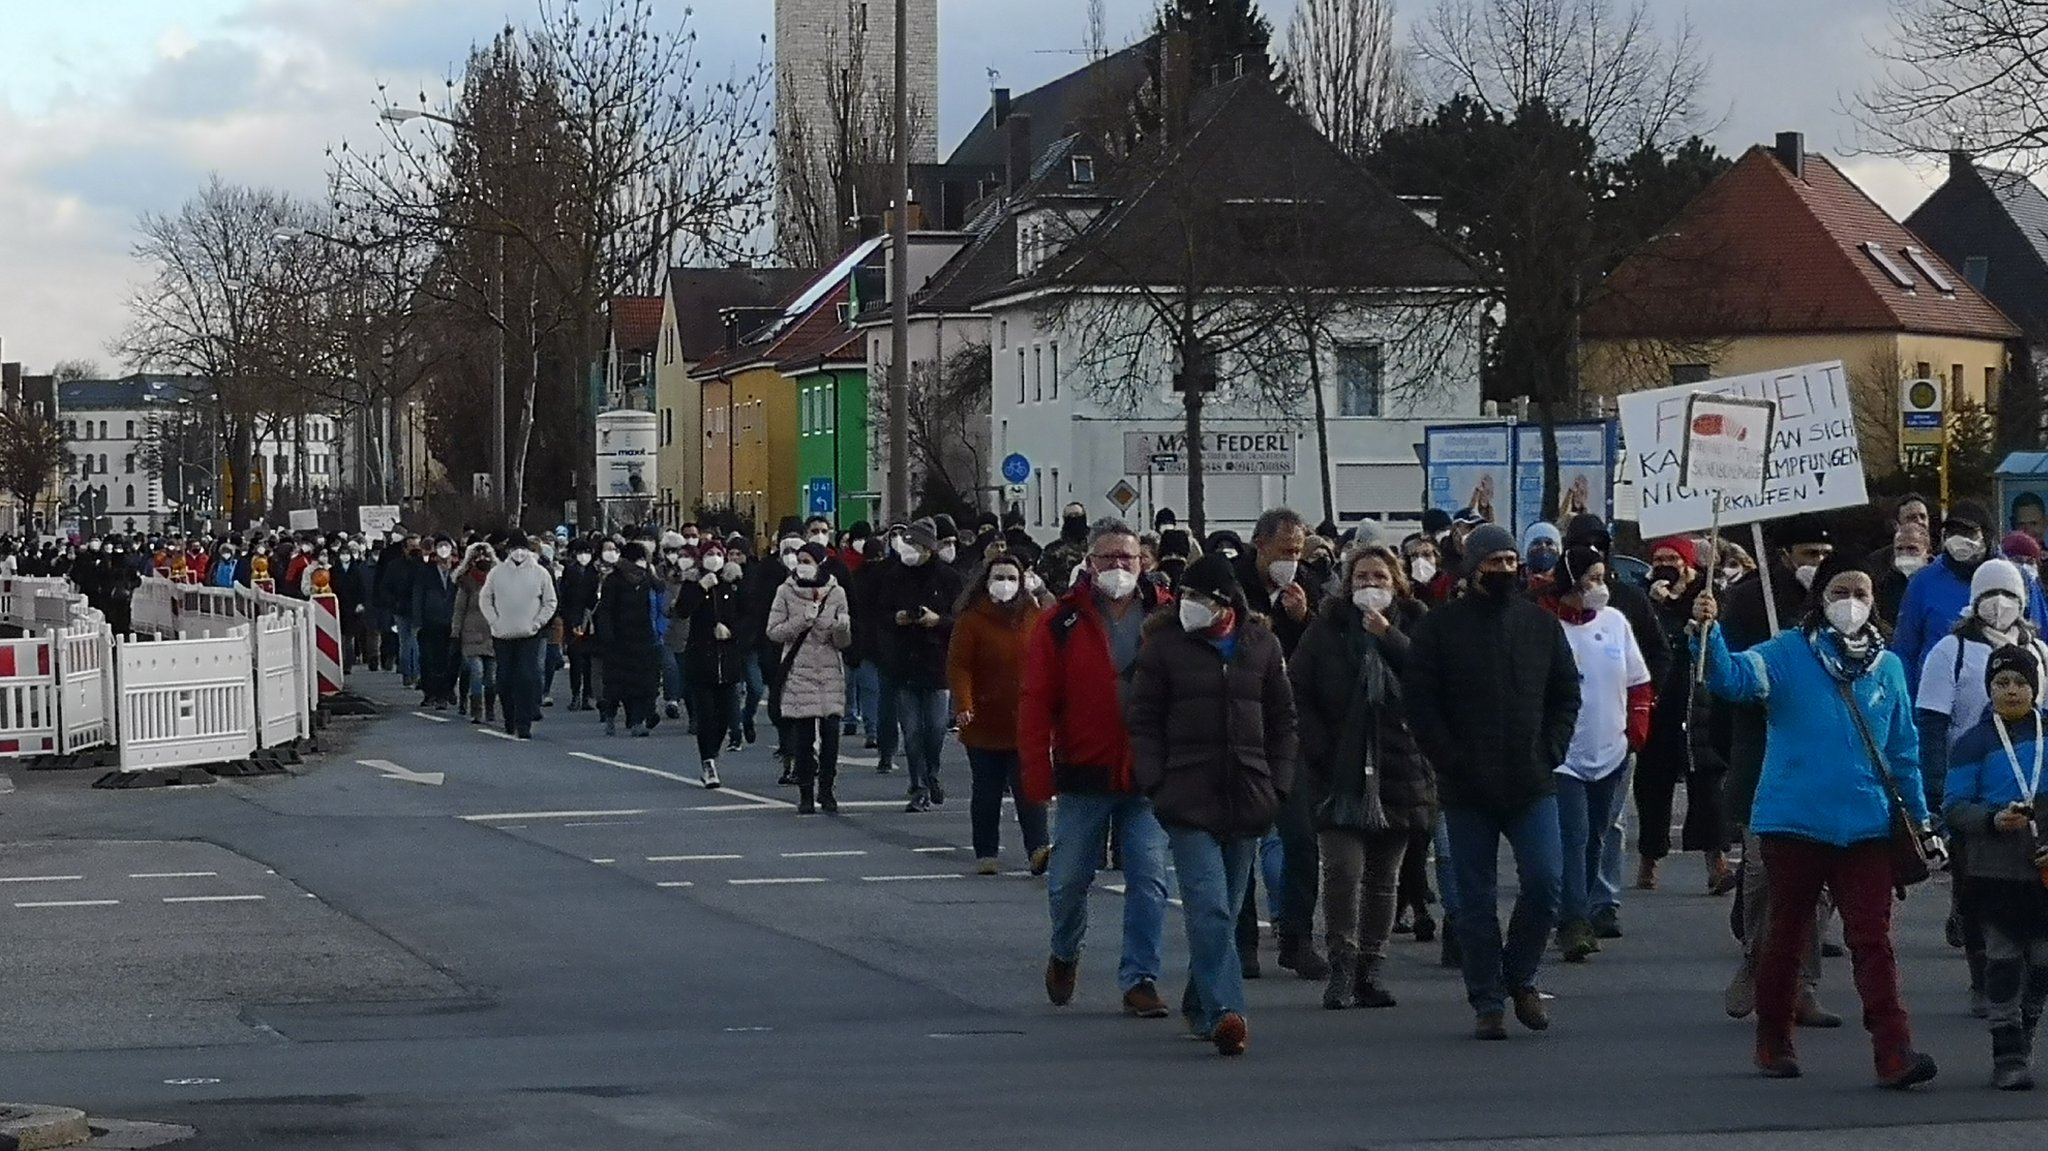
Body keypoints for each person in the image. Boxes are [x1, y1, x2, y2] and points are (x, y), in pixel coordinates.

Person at [1695, 553, 1943, 1087]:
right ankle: (1774, 1041)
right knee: (1785, 934)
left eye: (1860, 592)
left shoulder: (1890, 667)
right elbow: (1733, 679)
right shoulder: (1786, 653)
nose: (1850, 603)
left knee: (1873, 940)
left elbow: (1904, 751)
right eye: (1838, 592)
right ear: (1819, 600)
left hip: (1868, 827)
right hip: (1793, 823)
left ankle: (1894, 1053)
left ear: (1875, 603)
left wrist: (1920, 820)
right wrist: (1707, 633)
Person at [1405, 523, 1581, 1040]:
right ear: (1472, 567)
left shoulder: (1540, 626)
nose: (1504, 570)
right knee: (1473, 900)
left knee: (1546, 882)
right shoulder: (1440, 629)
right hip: (1467, 788)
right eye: (1494, 562)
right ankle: (1486, 999)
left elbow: (1566, 694)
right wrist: (1448, 758)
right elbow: (1421, 702)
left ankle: (1520, 975)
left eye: (1510, 561)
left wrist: (1551, 749)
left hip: (1531, 782)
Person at [1129, 553, 1297, 1057]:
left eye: (1200, 598)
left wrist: (1278, 787)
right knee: (1209, 907)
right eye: (1184, 597)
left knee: (1227, 905)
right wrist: (1156, 783)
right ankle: (1228, 1010)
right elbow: (1144, 723)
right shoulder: (1163, 651)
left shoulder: (1261, 646)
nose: (1188, 606)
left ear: (1226, 604)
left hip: (1248, 797)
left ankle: (1199, 1001)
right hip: (1186, 797)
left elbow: (1284, 721)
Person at [1019, 516, 1174, 1021]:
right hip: (1083, 771)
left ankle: (1139, 979)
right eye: (1107, 558)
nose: (1118, 567)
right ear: (1089, 564)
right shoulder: (1060, 622)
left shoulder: (1167, 615)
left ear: (1142, 561)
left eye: (1126, 558)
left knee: (1150, 879)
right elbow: (1037, 699)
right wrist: (1037, 777)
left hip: (1147, 775)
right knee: (1067, 881)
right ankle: (1065, 953)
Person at [1291, 541, 1436, 1009]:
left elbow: (1432, 679)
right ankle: (1341, 963)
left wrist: (1390, 635)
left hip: (1398, 766)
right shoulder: (1327, 629)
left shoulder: (1415, 622)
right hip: (1341, 771)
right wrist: (1321, 751)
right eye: (1361, 578)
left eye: (1379, 579)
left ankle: (1371, 968)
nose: (1370, 587)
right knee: (1341, 870)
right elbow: (1300, 691)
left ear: (1396, 585)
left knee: (1382, 877)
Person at [1720, 513, 1846, 1030]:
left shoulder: (1843, 604)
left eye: (1823, 555)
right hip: (1760, 755)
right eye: (1807, 555)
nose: (1815, 565)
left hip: (1822, 764)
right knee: (1760, 873)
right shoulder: (1750, 601)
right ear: (1785, 556)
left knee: (1818, 884)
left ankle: (1802, 984)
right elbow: (1723, 674)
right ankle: (1757, 956)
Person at [1916, 558, 2048, 1018]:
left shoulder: (2042, 652)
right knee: (1975, 890)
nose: (2000, 604)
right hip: (1970, 789)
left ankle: (2027, 987)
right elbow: (1931, 725)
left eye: (2010, 595)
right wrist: (1934, 794)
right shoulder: (1949, 652)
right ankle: (1985, 979)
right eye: (1991, 594)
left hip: (2034, 802)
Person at [1537, 546, 1652, 962]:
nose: (1599, 588)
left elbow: (1639, 680)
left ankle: (1581, 907)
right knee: (1574, 835)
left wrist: (1636, 728)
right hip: (1565, 756)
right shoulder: (1547, 629)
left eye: (1603, 578)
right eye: (1591, 579)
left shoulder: (1616, 622)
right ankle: (1571, 920)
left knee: (1597, 839)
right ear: (1570, 583)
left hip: (1612, 751)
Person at [1944, 644, 2048, 1090]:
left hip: (2043, 872)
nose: (2011, 691)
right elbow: (1953, 807)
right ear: (1989, 689)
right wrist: (1990, 819)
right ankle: (2006, 1052)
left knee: (2042, 962)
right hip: (1993, 872)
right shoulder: (1974, 742)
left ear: (2036, 688)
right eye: (2001, 683)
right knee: (2003, 960)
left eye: (2021, 683)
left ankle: (2024, 1028)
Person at [1233, 507, 1327, 981]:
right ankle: (1243, 940)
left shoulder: (1306, 587)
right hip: (1240, 731)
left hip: (1292, 733)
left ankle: (1298, 937)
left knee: (1301, 840)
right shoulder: (1233, 586)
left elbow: (1325, 655)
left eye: (1297, 551)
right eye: (1284, 551)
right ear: (1261, 546)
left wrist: (1301, 619)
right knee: (1240, 842)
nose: (1292, 560)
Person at [1633, 536, 1736, 895]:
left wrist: (1679, 605)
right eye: (1659, 557)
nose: (1665, 564)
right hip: (1660, 702)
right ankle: (1649, 859)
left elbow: (1716, 630)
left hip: (1700, 702)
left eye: (1672, 558)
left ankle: (1716, 863)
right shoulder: (1643, 598)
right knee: (1653, 785)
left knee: (1708, 786)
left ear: (1689, 565)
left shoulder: (1706, 596)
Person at [947, 553, 1051, 875]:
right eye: (998, 578)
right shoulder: (971, 619)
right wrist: (964, 704)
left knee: (1030, 791)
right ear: (986, 582)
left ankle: (1038, 849)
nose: (1005, 584)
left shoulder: (1033, 615)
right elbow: (959, 666)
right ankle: (986, 852)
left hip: (1024, 720)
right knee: (987, 791)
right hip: (983, 723)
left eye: (1011, 578)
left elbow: (1050, 651)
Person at [1897, 501, 2048, 693]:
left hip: (2012, 699)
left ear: (1987, 535)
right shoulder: (1923, 582)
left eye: (1968, 533)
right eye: (1952, 533)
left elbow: (2041, 635)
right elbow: (1905, 650)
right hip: (1940, 699)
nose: (1959, 540)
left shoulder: (2018, 578)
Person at [877, 518, 965, 812]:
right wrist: (896, 618)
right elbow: (878, 614)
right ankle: (919, 787)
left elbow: (961, 621)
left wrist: (937, 621)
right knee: (912, 730)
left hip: (938, 663)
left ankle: (932, 772)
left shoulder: (949, 579)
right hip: (904, 662)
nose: (909, 549)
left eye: (916, 544)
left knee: (936, 728)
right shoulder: (892, 577)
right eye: (908, 543)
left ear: (929, 548)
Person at [765, 542, 853, 815]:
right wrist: (803, 620)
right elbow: (774, 631)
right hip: (799, 669)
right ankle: (805, 791)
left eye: (807, 559)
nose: (801, 563)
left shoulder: (836, 592)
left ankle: (826, 789)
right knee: (803, 737)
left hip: (829, 670)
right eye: (798, 558)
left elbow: (843, 641)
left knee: (831, 736)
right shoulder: (785, 591)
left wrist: (841, 628)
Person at [676, 540, 746, 786]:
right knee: (705, 715)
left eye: (718, 554)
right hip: (701, 659)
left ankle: (713, 750)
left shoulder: (732, 583)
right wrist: (700, 589)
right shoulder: (693, 582)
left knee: (726, 715)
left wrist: (732, 631)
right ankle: (707, 762)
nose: (714, 558)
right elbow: (682, 611)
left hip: (727, 659)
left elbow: (746, 616)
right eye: (710, 554)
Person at [481, 535, 557, 740]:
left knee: (526, 676)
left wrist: (538, 622)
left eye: (522, 548)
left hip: (529, 633)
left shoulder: (540, 573)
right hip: (502, 634)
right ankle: (509, 717)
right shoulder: (497, 573)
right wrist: (494, 621)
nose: (518, 553)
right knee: (505, 679)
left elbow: (550, 601)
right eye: (514, 548)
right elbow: (485, 599)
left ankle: (524, 723)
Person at [597, 541, 665, 741]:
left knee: (641, 682)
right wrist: (607, 634)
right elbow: (605, 609)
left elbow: (660, 594)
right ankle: (610, 714)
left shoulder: (646, 580)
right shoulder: (614, 581)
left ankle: (637, 720)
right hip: (619, 639)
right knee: (617, 682)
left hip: (644, 638)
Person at [450, 542, 499, 726]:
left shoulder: (498, 581)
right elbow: (459, 609)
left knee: (491, 676)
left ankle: (491, 708)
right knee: (476, 672)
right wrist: (455, 631)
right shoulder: (466, 582)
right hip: (471, 633)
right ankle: (476, 710)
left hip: (493, 632)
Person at [411, 537, 459, 709]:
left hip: (452, 622)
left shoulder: (458, 572)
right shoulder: (425, 571)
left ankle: (445, 691)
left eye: (447, 546)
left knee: (449, 660)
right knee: (428, 658)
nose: (443, 551)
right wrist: (418, 620)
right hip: (430, 621)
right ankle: (430, 692)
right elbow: (418, 595)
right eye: (440, 547)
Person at [1873, 524, 1931, 632]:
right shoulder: (1883, 587)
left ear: (1927, 551)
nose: (1905, 554)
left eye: (1912, 548)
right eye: (1899, 549)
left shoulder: (1944, 580)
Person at [1040, 503, 1091, 596]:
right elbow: (1043, 580)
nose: (1074, 518)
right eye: (1070, 516)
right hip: (1062, 601)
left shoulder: (1095, 546)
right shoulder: (1052, 550)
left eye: (1077, 515)